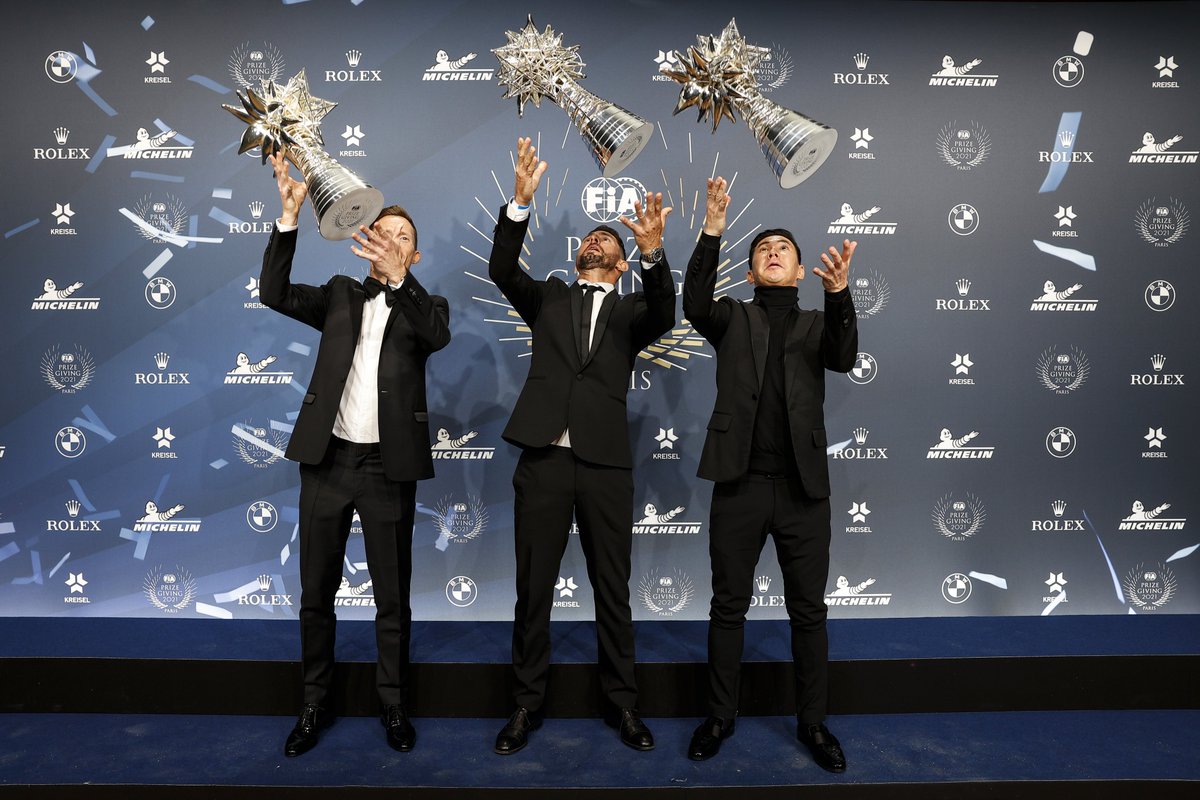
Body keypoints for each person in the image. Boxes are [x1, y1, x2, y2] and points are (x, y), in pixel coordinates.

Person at [259, 152, 450, 757]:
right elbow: (273, 293)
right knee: (316, 594)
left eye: (403, 238)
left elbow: (436, 337)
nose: (391, 241)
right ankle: (313, 702)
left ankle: (393, 704)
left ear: (414, 256)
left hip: (388, 470)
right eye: (383, 232)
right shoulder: (340, 294)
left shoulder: (428, 307)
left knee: (392, 598)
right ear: (365, 242)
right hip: (329, 462)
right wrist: (289, 218)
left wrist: (399, 283)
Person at [487, 137, 675, 754]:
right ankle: (525, 705)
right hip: (542, 458)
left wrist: (653, 251)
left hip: (605, 465)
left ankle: (624, 706)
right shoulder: (548, 295)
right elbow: (501, 271)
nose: (596, 240)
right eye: (590, 237)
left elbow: (666, 312)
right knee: (533, 590)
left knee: (612, 590)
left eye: (608, 240)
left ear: (621, 265)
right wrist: (519, 203)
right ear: (577, 257)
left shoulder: (634, 309)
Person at [681, 177, 858, 772]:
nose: (774, 252)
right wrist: (712, 230)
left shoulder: (816, 323)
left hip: (805, 492)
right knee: (727, 607)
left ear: (802, 271)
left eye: (784, 248)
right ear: (751, 271)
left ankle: (813, 723)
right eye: (763, 249)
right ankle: (719, 717)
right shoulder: (731, 317)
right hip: (740, 485)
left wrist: (840, 294)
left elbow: (844, 357)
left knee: (809, 612)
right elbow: (693, 304)